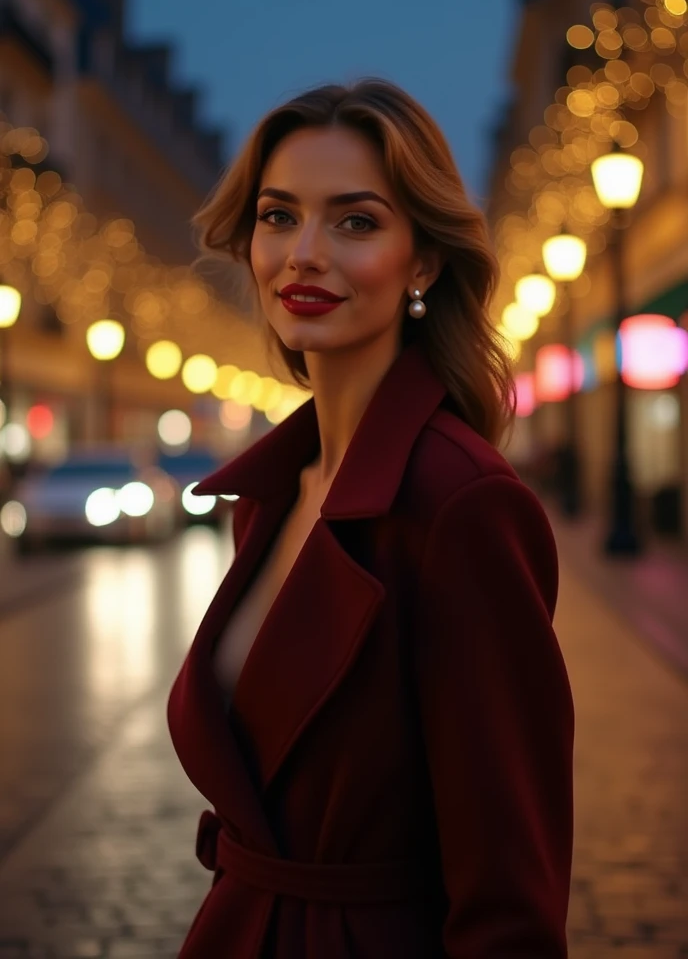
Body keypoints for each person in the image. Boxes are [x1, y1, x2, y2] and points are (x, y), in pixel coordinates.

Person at [167, 77, 574, 958]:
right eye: (279, 216)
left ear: (422, 261)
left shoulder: (462, 506)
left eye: (355, 221)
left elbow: (511, 885)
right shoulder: (276, 494)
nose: (303, 253)